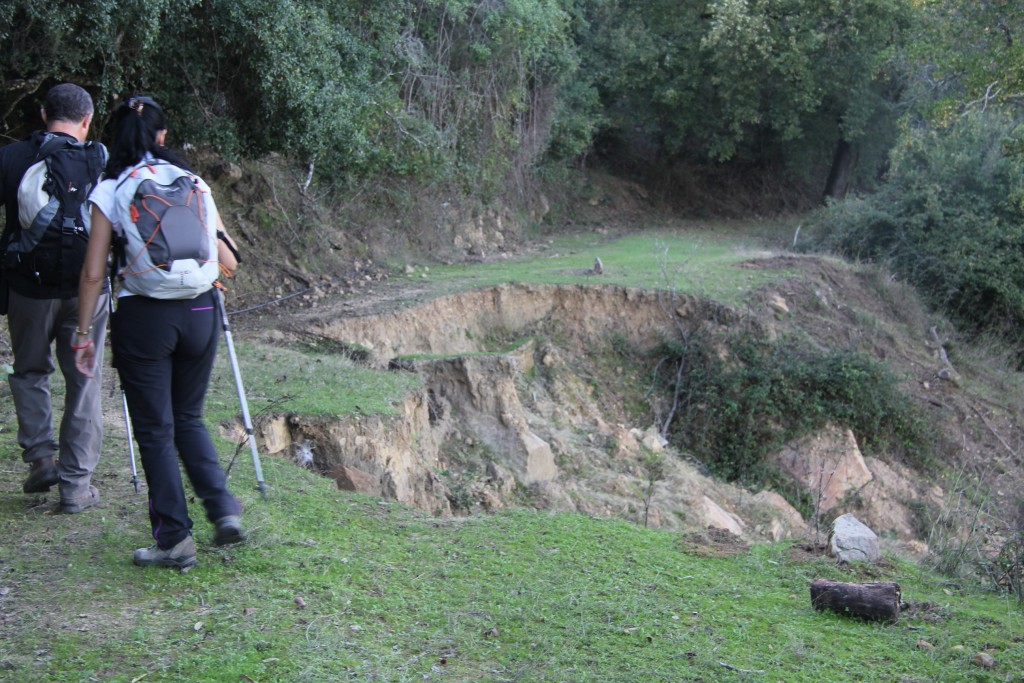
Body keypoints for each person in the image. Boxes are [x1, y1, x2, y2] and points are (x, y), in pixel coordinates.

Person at [74, 95, 244, 570]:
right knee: (188, 418)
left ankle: (173, 538)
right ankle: (224, 508)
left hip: (145, 317)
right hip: (201, 310)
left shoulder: (111, 189)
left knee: (155, 429)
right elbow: (228, 260)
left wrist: (84, 332)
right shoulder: (195, 184)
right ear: (163, 136)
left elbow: (92, 274)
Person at [0, 83, 109, 512]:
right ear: (87, 119)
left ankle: (42, 459)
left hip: (27, 287)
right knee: (84, 381)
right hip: (88, 288)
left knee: (29, 372)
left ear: (44, 114)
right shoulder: (102, 162)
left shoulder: (11, 158)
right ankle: (76, 487)